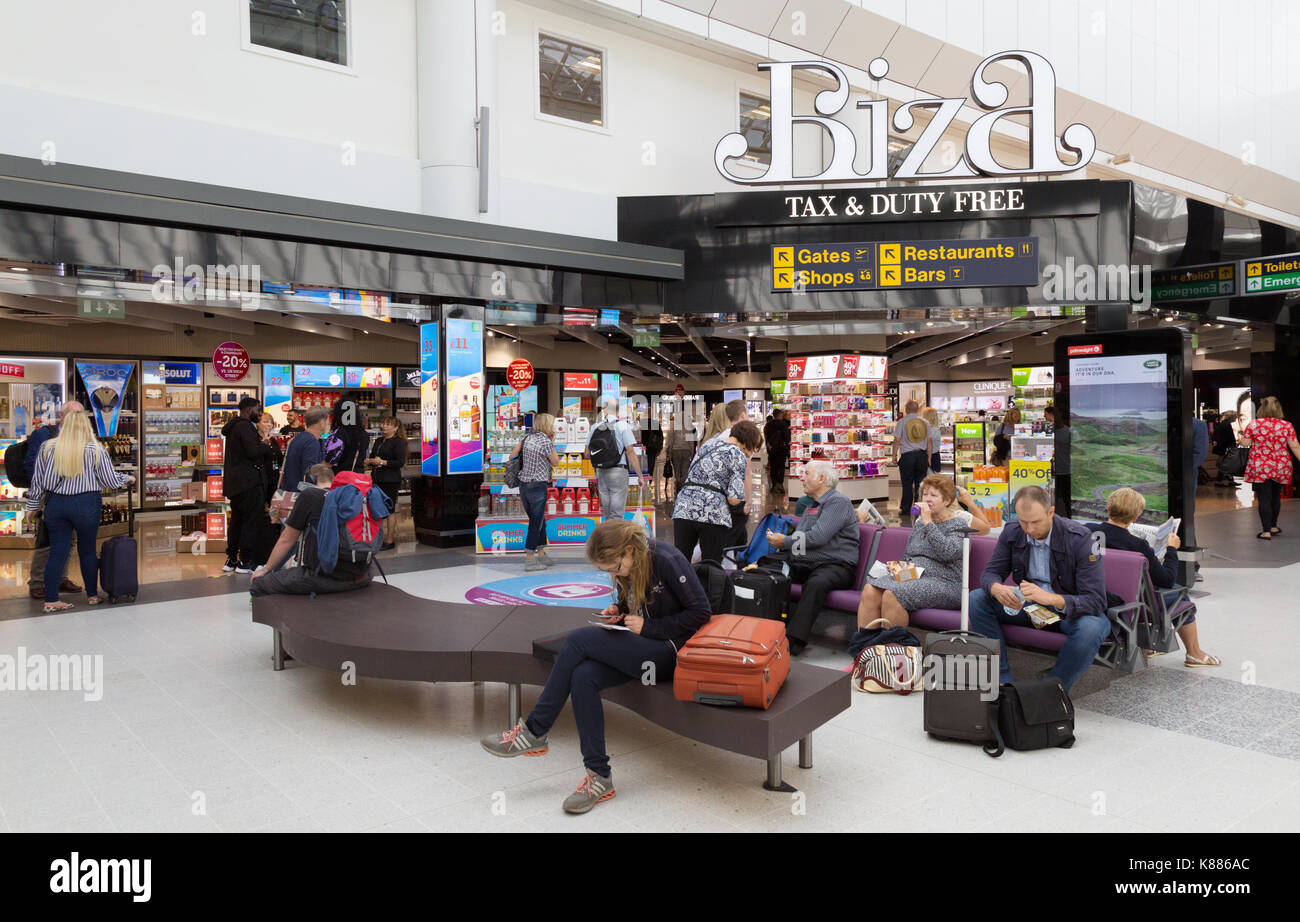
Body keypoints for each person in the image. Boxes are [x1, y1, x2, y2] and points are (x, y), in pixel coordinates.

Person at [479, 520, 710, 815]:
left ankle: (535, 731)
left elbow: (701, 612)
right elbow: (643, 604)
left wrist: (651, 627)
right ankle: (599, 776)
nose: (613, 574)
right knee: (583, 676)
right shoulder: (631, 563)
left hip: (670, 654)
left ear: (629, 550)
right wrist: (620, 611)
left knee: (577, 641)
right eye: (607, 571)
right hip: (646, 647)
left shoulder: (666, 559)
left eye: (614, 567)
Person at [966, 485, 1109, 691]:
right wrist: (996, 588)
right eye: (1024, 522)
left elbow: (1096, 601)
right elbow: (990, 573)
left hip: (1069, 611)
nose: (1029, 529)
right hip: (1030, 607)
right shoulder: (1013, 531)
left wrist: (1051, 599)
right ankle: (1002, 680)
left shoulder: (1081, 538)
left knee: (1091, 628)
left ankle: (1050, 691)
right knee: (977, 598)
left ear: (1051, 511)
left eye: (1035, 522)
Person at [1086, 488, 1219, 668]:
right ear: (1135, 518)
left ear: (1108, 509)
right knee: (1180, 595)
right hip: (1135, 604)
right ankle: (1194, 653)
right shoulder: (1137, 545)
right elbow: (1166, 579)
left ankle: (1147, 645)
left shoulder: (1088, 531)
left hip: (1099, 594)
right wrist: (1171, 549)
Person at [24, 410, 134, 612]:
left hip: (56, 505)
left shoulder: (47, 448)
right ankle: (92, 595)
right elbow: (109, 480)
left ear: (63, 425)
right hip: (86, 504)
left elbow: (37, 483)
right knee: (88, 550)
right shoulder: (95, 449)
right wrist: (128, 479)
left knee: (57, 552)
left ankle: (50, 600)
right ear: (86, 426)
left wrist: (31, 507)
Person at [764, 460, 860, 655]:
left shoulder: (837, 501)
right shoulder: (812, 506)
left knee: (816, 584)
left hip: (836, 565)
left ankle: (793, 641)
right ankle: (766, 628)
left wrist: (785, 542)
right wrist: (786, 552)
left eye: (807, 473)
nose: (802, 478)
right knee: (769, 570)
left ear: (822, 479)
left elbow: (818, 536)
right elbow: (802, 541)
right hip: (809, 563)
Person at [858, 475, 968, 630]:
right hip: (914, 576)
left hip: (945, 582)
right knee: (870, 589)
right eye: (925, 494)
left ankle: (893, 649)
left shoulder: (958, 524)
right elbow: (909, 555)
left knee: (892, 593)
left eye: (934, 495)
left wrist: (928, 523)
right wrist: (897, 567)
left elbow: (949, 552)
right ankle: (866, 648)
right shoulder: (919, 524)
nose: (927, 499)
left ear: (947, 501)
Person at [250, 463, 377, 597]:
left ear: (310, 479)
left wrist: (265, 570)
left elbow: (286, 540)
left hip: (324, 577)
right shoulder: (355, 499)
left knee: (260, 583)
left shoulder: (310, 496)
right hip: (363, 575)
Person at [672, 420, 763, 564]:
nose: (753, 451)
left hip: (683, 508)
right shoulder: (738, 454)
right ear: (747, 442)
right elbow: (734, 499)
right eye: (754, 447)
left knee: (681, 563)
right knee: (711, 566)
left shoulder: (708, 444)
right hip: (712, 512)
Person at [23, 402, 85, 601]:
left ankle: (60, 578)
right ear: (62, 415)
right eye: (74, 414)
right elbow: (32, 465)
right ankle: (37, 582)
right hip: (48, 496)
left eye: (80, 415)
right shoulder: (44, 435)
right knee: (46, 539)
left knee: (70, 539)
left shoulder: (80, 436)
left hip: (72, 496)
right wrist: (39, 495)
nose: (78, 419)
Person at [221, 397, 273, 573]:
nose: (259, 414)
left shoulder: (234, 426)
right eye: (258, 410)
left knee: (236, 521)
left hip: (235, 484)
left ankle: (231, 559)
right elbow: (253, 452)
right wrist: (265, 445)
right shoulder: (245, 427)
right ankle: (245, 561)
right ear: (249, 410)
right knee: (250, 522)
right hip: (249, 483)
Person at [1239, 396, 1300, 540]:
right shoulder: (1287, 425)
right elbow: (1295, 446)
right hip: (1280, 465)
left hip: (1260, 465)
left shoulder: (1254, 425)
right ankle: (1273, 525)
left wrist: (1242, 438)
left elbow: (1246, 443)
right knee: (1275, 496)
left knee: (1264, 497)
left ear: (1262, 409)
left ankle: (1266, 531)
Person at [511, 412, 560, 571]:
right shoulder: (545, 441)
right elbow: (556, 462)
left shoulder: (526, 439)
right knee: (535, 523)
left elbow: (512, 456)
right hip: (538, 486)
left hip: (524, 485)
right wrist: (552, 442)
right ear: (547, 425)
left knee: (539, 520)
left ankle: (541, 555)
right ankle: (530, 560)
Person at [585, 398, 641, 522]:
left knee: (608, 513)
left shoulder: (595, 427)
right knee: (616, 514)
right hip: (618, 471)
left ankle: (607, 539)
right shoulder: (622, 425)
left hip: (601, 472)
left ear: (604, 410)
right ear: (617, 411)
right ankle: (614, 540)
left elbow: (587, 454)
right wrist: (640, 476)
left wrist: (602, 457)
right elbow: (630, 452)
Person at [364, 416, 406, 550]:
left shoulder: (399, 442)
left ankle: (389, 540)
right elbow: (373, 456)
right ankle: (377, 537)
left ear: (396, 428)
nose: (385, 426)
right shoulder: (378, 440)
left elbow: (400, 462)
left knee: (389, 509)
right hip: (376, 478)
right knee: (376, 508)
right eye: (384, 424)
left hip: (390, 480)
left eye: (388, 424)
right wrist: (369, 461)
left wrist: (382, 462)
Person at [892, 400, 929, 517]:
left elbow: (897, 440)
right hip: (922, 455)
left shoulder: (902, 422)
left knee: (907, 483)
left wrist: (894, 456)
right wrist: (929, 458)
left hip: (907, 456)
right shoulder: (925, 422)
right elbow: (930, 442)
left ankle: (906, 509)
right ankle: (919, 509)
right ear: (918, 409)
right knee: (920, 484)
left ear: (907, 409)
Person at [279, 406, 328, 495]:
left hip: (289, 492)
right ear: (321, 423)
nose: (327, 425)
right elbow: (310, 475)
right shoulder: (311, 442)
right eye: (326, 422)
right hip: (301, 496)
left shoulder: (297, 439)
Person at [328, 394, 371, 474]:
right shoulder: (364, 434)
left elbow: (330, 461)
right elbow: (364, 458)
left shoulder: (340, 433)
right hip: (358, 478)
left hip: (342, 479)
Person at [256, 412, 284, 507]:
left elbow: (279, 457)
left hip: (274, 479)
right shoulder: (255, 439)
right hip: (260, 481)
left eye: (271, 422)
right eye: (265, 421)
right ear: (258, 423)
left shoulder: (273, 440)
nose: (269, 424)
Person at [765, 409, 790, 493]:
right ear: (780, 415)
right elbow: (786, 437)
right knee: (781, 467)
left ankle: (774, 485)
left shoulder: (768, 424)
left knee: (773, 467)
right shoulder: (783, 424)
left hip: (772, 449)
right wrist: (788, 447)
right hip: (781, 449)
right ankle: (780, 484)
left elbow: (766, 438)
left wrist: (768, 449)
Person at [1212, 411, 1238, 486]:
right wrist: (1232, 445)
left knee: (1226, 464)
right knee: (1225, 464)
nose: (1236, 418)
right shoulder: (1226, 424)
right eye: (1235, 416)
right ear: (1231, 417)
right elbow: (1229, 437)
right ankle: (1220, 481)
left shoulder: (1223, 424)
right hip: (1226, 448)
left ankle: (1229, 480)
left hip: (1223, 447)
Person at [923, 407, 942, 473]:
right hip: (936, 456)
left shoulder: (927, 429)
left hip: (928, 456)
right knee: (934, 480)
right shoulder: (936, 429)